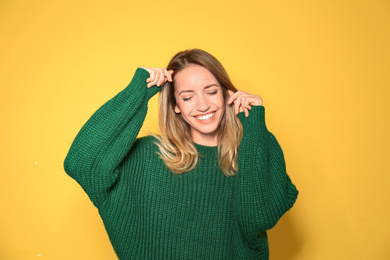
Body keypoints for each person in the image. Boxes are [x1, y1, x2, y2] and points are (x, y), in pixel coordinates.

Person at [64, 49, 298, 259]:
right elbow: (82, 163)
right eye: (188, 97)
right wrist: (138, 91)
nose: (203, 105)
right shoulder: (147, 157)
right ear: (175, 104)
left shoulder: (251, 153)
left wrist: (254, 124)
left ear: (227, 95)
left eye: (212, 92)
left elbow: (261, 217)